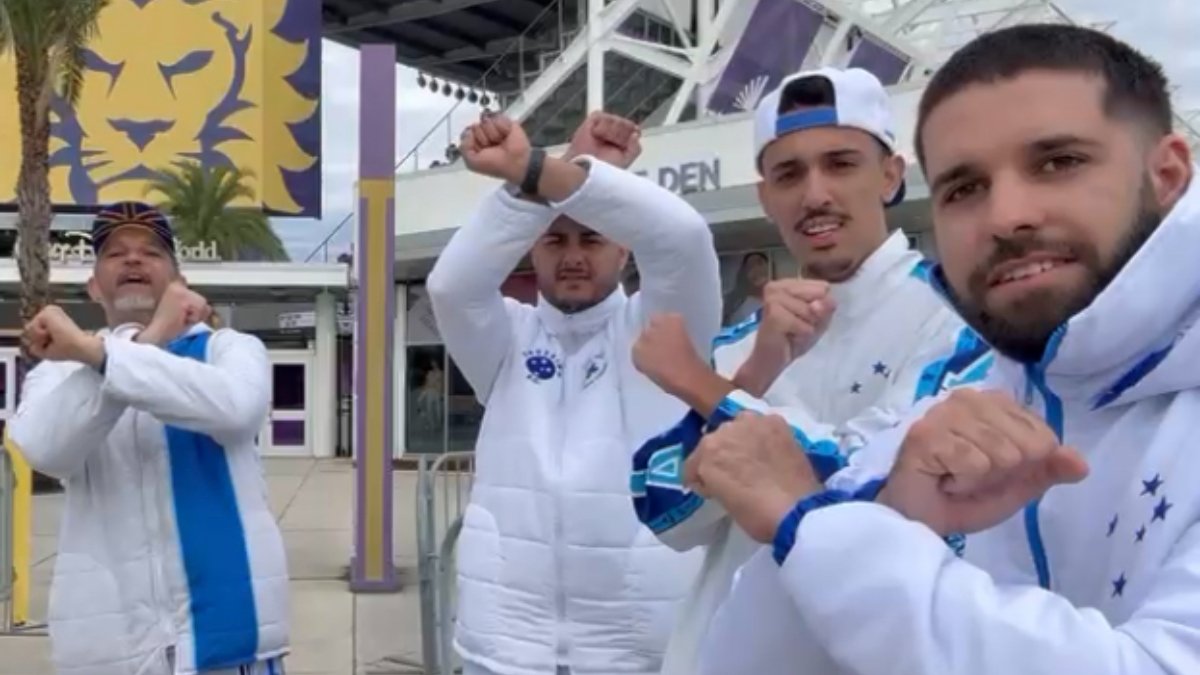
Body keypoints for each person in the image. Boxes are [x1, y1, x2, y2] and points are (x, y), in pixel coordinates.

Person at [687, 23, 1200, 674]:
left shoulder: (947, 353)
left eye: (1058, 162)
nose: (1006, 216)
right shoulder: (963, 409)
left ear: (1167, 174)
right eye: (964, 188)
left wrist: (811, 525)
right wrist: (882, 519)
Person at [626, 67, 992, 675]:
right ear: (765, 196)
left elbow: (874, 483)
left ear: (890, 176)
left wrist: (702, 386)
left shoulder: (962, 319)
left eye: (840, 164)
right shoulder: (744, 343)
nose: (814, 194)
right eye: (789, 174)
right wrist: (755, 374)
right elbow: (667, 513)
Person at [426, 111, 721, 675]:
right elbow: (451, 286)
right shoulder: (506, 339)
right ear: (531, 250)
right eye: (555, 240)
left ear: (624, 250)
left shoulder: (663, 330)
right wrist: (541, 177)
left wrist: (561, 174)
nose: (573, 256)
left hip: (635, 652)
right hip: (506, 648)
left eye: (592, 237)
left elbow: (682, 241)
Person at [9, 202, 288, 675]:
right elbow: (45, 449)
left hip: (229, 642)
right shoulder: (62, 368)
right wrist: (142, 341)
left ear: (179, 280)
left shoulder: (229, 348)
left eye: (151, 252)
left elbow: (237, 409)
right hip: (110, 651)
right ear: (94, 286)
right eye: (115, 253)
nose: (133, 259)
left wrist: (105, 355)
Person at [721, 251, 771, 325]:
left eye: (759, 263)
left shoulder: (781, 299)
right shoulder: (744, 310)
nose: (756, 269)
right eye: (750, 267)